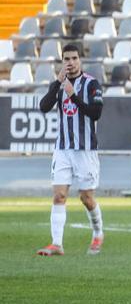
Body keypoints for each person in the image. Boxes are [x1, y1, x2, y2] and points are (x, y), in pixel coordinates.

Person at [36, 43, 104, 256]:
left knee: (86, 197)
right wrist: (57, 83)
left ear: (80, 60)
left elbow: (95, 113)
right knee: (59, 196)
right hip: (63, 149)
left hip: (85, 150)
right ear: (62, 61)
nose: (71, 62)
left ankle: (98, 233)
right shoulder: (58, 85)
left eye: (74, 58)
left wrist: (74, 96)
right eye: (67, 59)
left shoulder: (92, 84)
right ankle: (57, 244)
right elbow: (43, 107)